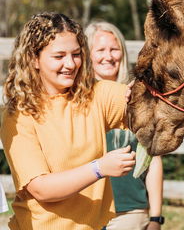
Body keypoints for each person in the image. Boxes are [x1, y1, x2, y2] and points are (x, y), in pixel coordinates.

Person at [0, 13, 136, 230]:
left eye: (76, 54)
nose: (70, 64)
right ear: (34, 59)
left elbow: (141, 102)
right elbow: (41, 188)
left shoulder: (95, 95)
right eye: (59, 56)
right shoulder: (17, 115)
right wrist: (99, 168)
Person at [85, 21, 164, 230]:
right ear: (87, 55)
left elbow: (153, 161)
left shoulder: (139, 99)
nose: (108, 56)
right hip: (84, 210)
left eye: (114, 49)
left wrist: (156, 217)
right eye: (100, 50)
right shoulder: (78, 101)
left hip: (128, 211)